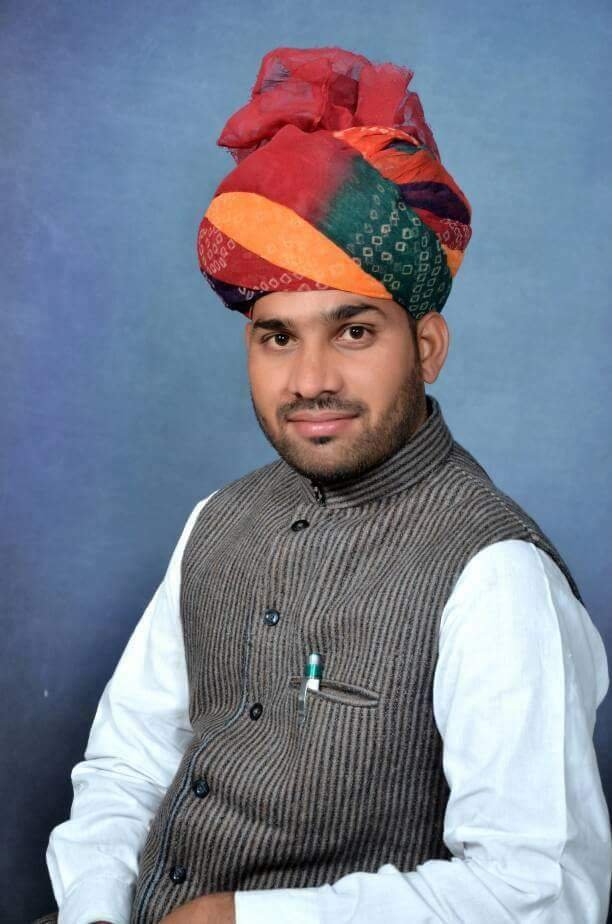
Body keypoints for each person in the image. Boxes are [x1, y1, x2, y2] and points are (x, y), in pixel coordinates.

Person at [34, 46, 611, 924]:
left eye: (352, 332)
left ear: (426, 347)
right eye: (278, 338)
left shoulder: (496, 576)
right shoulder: (219, 519)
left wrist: (241, 920)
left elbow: (540, 895)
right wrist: (95, 910)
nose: (309, 380)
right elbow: (126, 766)